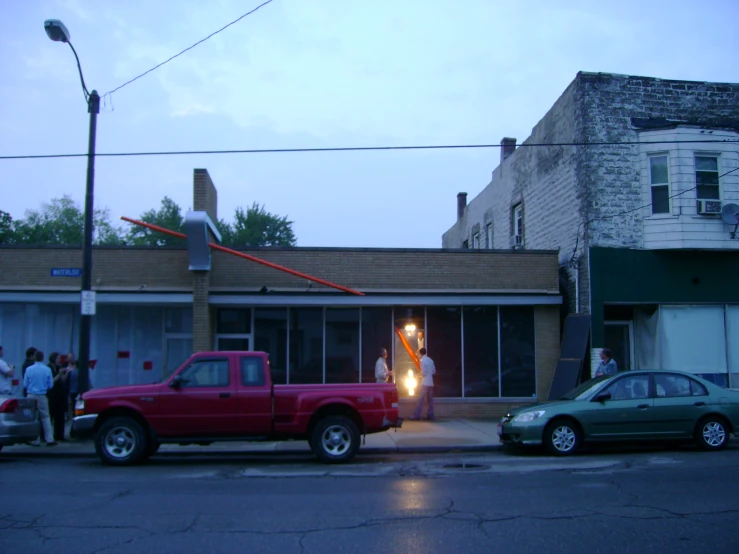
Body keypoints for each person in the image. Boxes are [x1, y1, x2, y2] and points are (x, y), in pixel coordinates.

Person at [23, 350, 56, 447]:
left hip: (31, 395)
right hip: (42, 395)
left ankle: (35, 439)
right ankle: (49, 439)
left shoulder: (29, 369)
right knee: (45, 417)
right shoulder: (47, 369)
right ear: (42, 358)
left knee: (33, 418)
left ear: (34, 357)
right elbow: (50, 385)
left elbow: (25, 384)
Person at [47, 352, 69, 442]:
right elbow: (52, 381)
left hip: (60, 395)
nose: (60, 360)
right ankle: (46, 436)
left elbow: (63, 379)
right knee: (50, 416)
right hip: (52, 395)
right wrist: (59, 374)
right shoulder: (49, 369)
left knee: (60, 416)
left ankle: (59, 435)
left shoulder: (59, 368)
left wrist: (67, 372)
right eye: (58, 359)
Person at [410, 347, 436, 421]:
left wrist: (418, 375)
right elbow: (434, 371)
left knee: (420, 400)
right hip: (431, 383)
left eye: (418, 353)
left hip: (424, 383)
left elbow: (423, 372)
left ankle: (416, 415)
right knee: (430, 400)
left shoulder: (422, 361)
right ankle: (431, 415)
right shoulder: (431, 360)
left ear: (420, 353)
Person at [65, 353, 79, 421]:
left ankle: (72, 416)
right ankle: (68, 415)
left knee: (73, 403)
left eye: (72, 357)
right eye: (69, 357)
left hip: (74, 388)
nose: (71, 359)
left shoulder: (76, 367)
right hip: (66, 387)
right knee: (68, 403)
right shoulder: (64, 366)